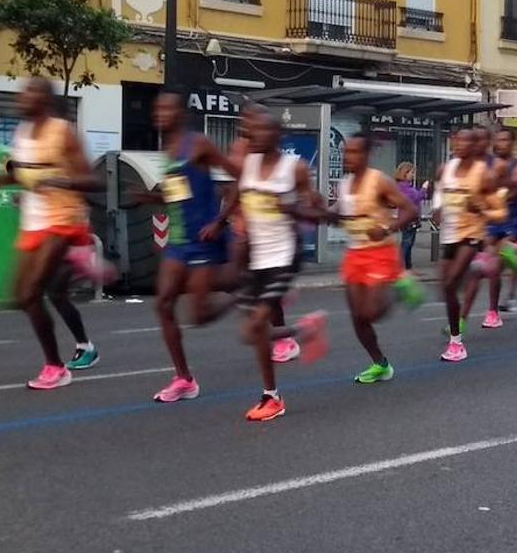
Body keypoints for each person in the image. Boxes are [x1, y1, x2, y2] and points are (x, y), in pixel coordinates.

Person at [0, 77, 101, 390]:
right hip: (33, 223)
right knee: (21, 295)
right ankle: (63, 357)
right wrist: (3, 181)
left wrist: (63, 182)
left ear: (46, 100)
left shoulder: (62, 132)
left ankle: (56, 366)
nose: (23, 96)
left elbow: (93, 181)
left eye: (32, 91)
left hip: (64, 219)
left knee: (36, 290)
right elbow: (27, 174)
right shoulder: (21, 134)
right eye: (24, 91)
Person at [146, 92, 244, 403]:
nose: (161, 112)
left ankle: (242, 295)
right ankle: (184, 379)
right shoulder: (168, 149)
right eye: (158, 107)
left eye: (167, 108)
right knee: (163, 304)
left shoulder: (199, 143)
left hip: (203, 240)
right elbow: (179, 194)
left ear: (181, 113)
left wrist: (221, 220)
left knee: (199, 316)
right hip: (177, 242)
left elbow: (241, 178)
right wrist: (151, 199)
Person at [236, 108, 329, 422]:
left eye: (260, 131)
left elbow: (316, 210)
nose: (253, 136)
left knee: (255, 327)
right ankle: (302, 335)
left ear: (277, 136)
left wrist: (295, 206)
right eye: (251, 131)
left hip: (284, 257)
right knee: (253, 333)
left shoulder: (295, 168)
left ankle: (272, 398)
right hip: (256, 258)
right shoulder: (247, 164)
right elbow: (239, 200)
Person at [334, 134, 424, 384]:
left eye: (353, 152)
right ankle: (380, 364)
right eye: (345, 152)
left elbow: (410, 210)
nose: (347, 157)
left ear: (365, 155)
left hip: (380, 252)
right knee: (358, 317)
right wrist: (318, 211)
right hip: (354, 255)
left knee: (371, 313)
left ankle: (399, 285)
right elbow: (339, 210)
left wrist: (386, 229)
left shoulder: (379, 181)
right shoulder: (344, 184)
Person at [433, 126, 494, 361]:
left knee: (450, 284)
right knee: (446, 290)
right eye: (456, 141)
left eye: (465, 141)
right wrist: (437, 208)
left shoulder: (483, 173)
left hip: (471, 234)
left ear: (474, 145)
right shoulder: (445, 169)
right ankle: (476, 269)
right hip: (449, 235)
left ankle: (456, 344)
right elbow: (439, 191)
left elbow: (496, 206)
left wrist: (481, 208)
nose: (460, 145)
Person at [482, 129, 517, 329]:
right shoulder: (487, 165)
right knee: (492, 269)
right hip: (493, 222)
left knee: (496, 264)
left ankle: (499, 306)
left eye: (505, 140)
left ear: (512, 143)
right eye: (498, 139)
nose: (501, 143)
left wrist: (513, 192)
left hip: (514, 221)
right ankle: (493, 311)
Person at [394, 161, 425, 271]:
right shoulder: (405, 188)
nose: (413, 175)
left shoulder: (401, 187)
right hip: (408, 219)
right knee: (407, 243)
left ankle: (407, 265)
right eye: (411, 172)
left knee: (409, 242)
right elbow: (416, 197)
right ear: (405, 173)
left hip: (407, 219)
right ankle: (400, 265)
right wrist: (424, 189)